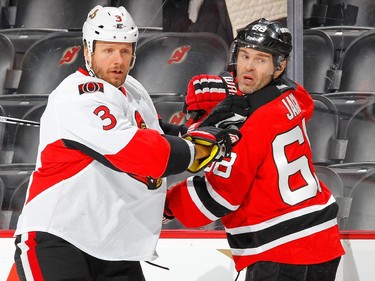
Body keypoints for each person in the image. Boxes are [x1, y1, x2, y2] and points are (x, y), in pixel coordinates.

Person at [13, 5, 237, 281]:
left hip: (115, 246)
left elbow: (156, 132)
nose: (117, 60)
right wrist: (202, 147)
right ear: (88, 50)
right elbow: (145, 155)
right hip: (60, 239)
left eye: (124, 50)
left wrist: (205, 127)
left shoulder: (132, 89)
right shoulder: (76, 96)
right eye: (108, 50)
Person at [164, 18, 345, 280]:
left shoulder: (247, 127)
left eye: (261, 59)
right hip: (322, 240)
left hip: (281, 251)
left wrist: (167, 206)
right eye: (245, 55)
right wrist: (204, 127)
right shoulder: (293, 95)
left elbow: (219, 196)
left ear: (279, 65)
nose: (248, 66)